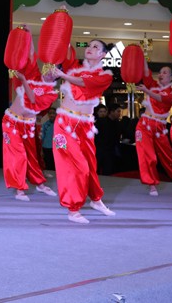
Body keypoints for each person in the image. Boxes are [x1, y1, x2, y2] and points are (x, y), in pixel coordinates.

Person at [49, 40, 115, 224]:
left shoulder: (105, 76)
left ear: (103, 54)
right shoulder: (74, 68)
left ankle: (96, 200)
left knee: (90, 165)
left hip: (85, 126)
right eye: (89, 46)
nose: (90, 49)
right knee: (77, 166)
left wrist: (63, 75)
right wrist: (61, 30)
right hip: (65, 123)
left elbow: (84, 83)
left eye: (95, 47)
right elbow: (63, 48)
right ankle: (73, 209)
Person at [2, 35, 58, 201]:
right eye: (49, 67)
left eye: (54, 70)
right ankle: (19, 189)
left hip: (28, 126)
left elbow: (33, 100)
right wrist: (27, 36)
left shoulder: (51, 94)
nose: (50, 71)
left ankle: (39, 183)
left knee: (31, 156)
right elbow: (31, 54)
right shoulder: (34, 76)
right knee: (17, 154)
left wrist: (24, 81)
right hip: (12, 122)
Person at [135, 64, 172, 196]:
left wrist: (147, 91)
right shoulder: (152, 85)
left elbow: (162, 99)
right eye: (160, 72)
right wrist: (142, 57)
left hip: (160, 127)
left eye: (165, 72)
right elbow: (145, 71)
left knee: (169, 157)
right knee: (148, 155)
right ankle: (152, 184)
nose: (161, 74)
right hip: (144, 125)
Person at [94, 103, 121, 176]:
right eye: (118, 111)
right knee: (97, 170)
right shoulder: (101, 122)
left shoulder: (117, 123)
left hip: (110, 151)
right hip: (100, 150)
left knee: (108, 171)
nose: (119, 113)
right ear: (111, 112)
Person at [41, 107, 56, 171]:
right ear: (48, 115)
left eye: (53, 113)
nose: (52, 115)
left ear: (56, 114)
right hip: (46, 148)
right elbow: (42, 138)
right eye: (50, 113)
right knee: (48, 165)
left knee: (55, 165)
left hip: (56, 149)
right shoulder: (45, 125)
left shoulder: (59, 124)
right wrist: (41, 150)